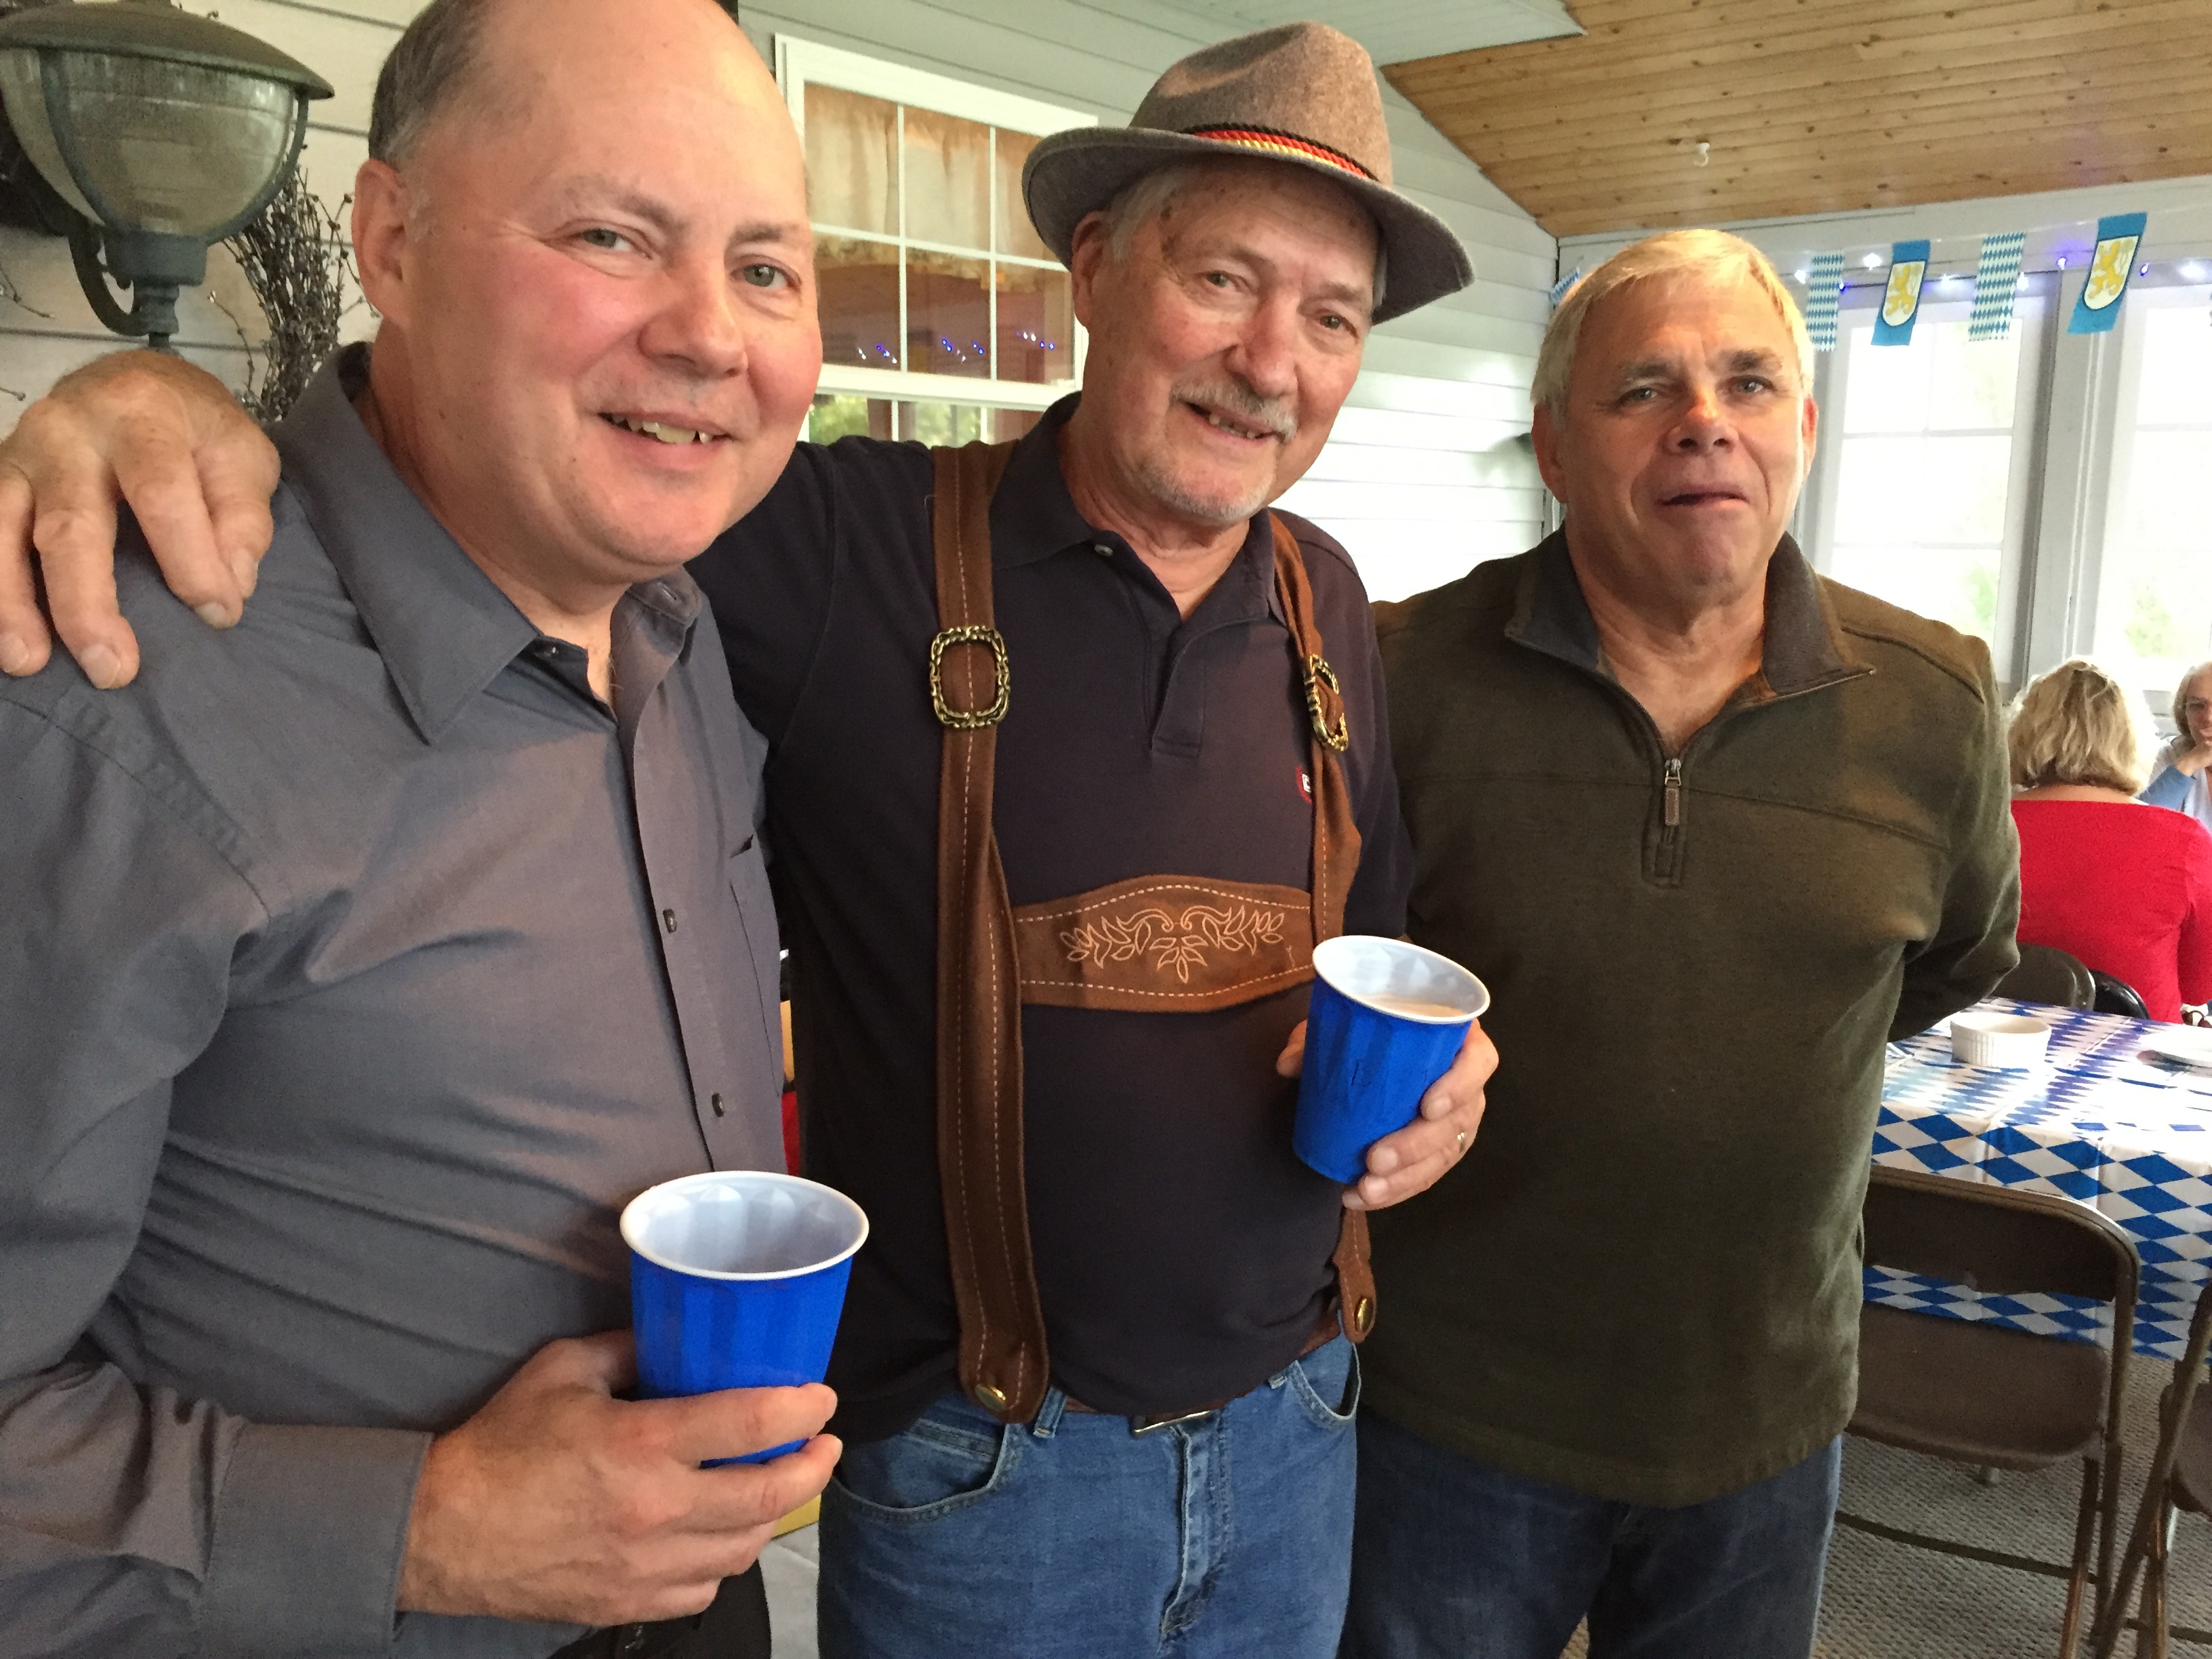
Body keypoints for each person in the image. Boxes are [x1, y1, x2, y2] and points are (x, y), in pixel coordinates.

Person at [0, 22, 1498, 1658]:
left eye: (1333, 316)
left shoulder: (1319, 598)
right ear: (1094, 266)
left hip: (1295, 1427)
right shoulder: (826, 544)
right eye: (1222, 278)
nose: (1271, 358)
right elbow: (509, 474)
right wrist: (132, 394)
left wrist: (1445, 1085)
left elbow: (1376, 921)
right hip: (988, 1470)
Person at [0, 3, 842, 1656]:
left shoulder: (681, 615)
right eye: (612, 234)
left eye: (764, 268)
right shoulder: (107, 693)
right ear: (392, 236)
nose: (708, 336)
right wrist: (429, 1523)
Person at [1345, 230, 2021, 1659]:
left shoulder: (1938, 706)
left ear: (1804, 430)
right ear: (1553, 445)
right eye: (1643, 387)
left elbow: (1950, 962)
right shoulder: (1405, 676)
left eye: (1750, 382)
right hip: (1455, 1413)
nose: (1705, 418)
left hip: (1762, 1426)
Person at [2010, 658, 2212, 1023]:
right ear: (2132, 740)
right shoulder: (2184, 840)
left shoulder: (1985, 826)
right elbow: (2199, 987)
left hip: (1996, 1040)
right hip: (2135, 1058)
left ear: (2025, 731)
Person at [2142, 659, 2212, 837]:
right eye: (2197, 706)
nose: (2208, 718)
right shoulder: (2170, 757)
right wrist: (2189, 763)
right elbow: (2140, 828)